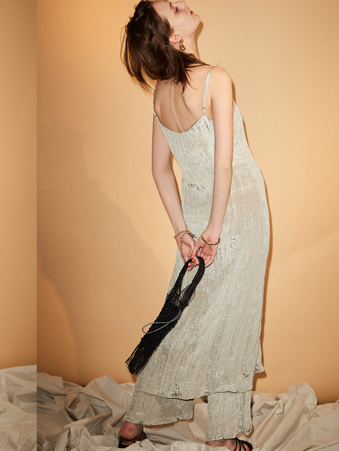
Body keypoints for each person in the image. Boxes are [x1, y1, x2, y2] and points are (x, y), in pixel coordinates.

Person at [118, 1, 269, 450]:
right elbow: (224, 164)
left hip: (201, 214)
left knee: (182, 315)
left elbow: (159, 170)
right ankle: (222, 439)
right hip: (236, 212)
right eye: (174, 7)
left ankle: (134, 421)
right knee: (232, 321)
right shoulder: (215, 78)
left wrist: (183, 232)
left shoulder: (160, 94)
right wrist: (214, 232)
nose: (184, 4)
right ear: (174, 37)